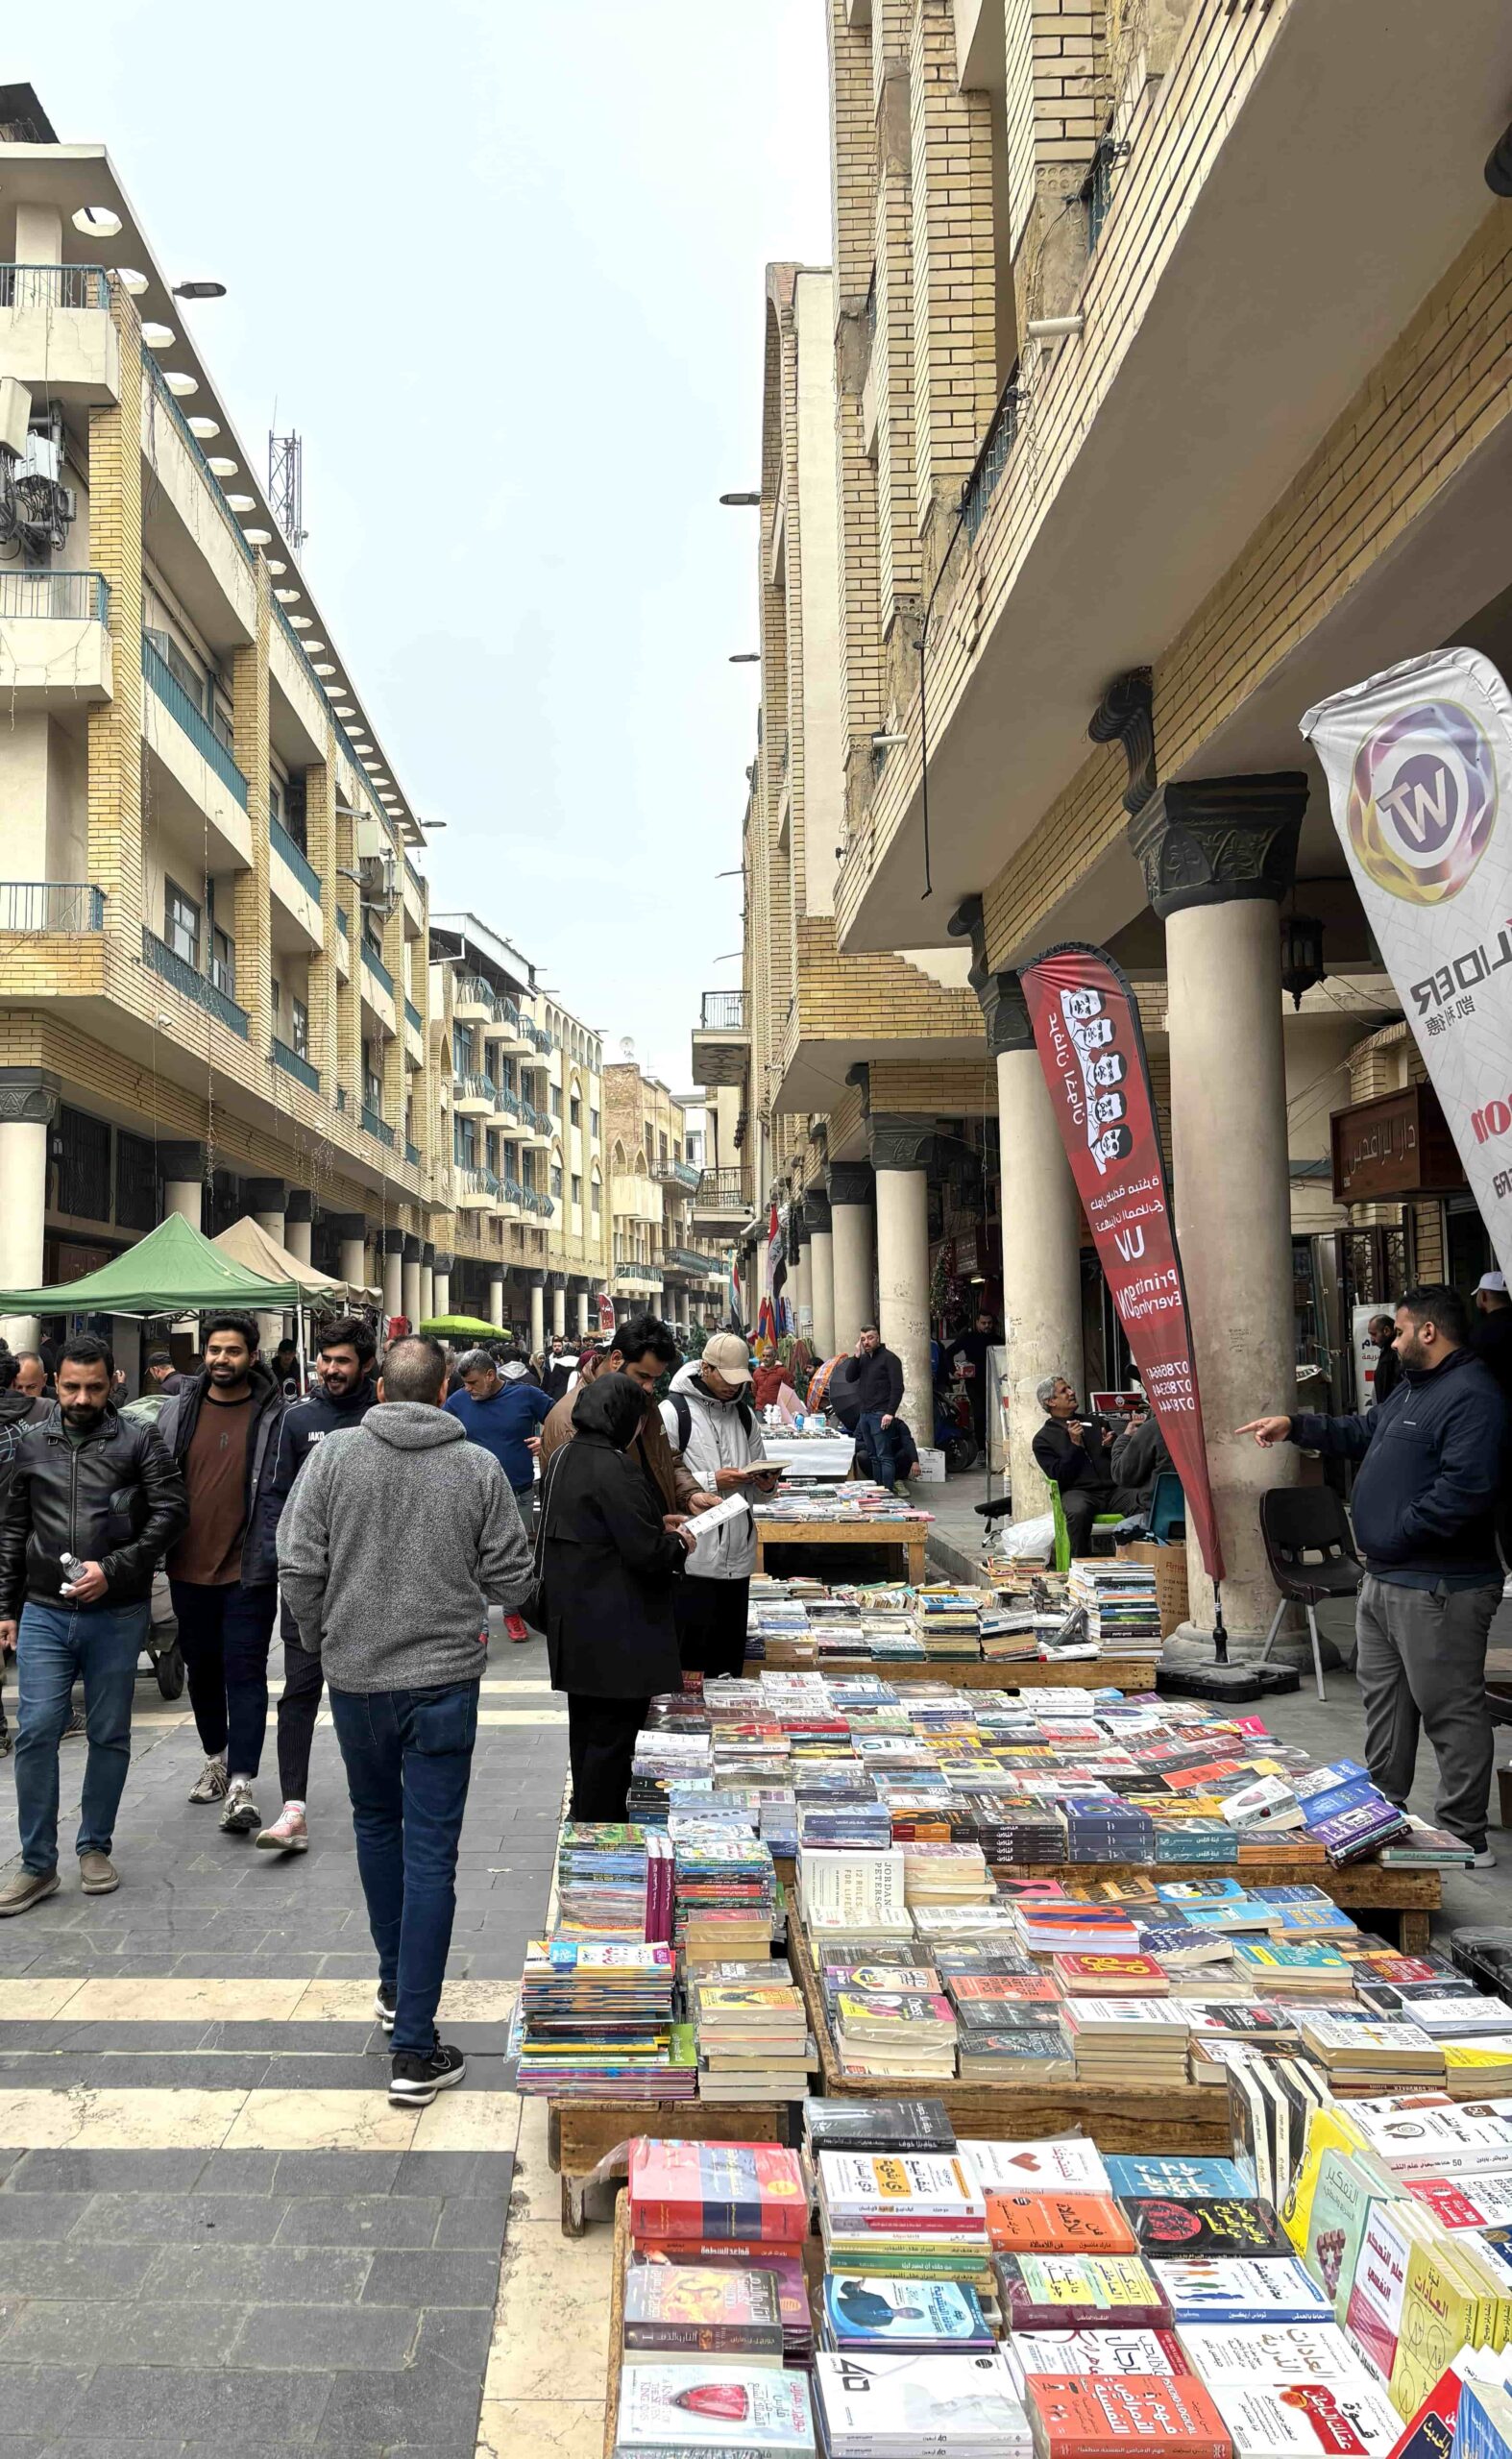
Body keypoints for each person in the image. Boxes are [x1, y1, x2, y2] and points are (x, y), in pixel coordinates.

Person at [277, 1333, 533, 2106]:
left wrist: (323, 1639)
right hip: (444, 1683)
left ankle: (397, 1991)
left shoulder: (333, 1458)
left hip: (356, 1682)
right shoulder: (477, 1467)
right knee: (431, 1855)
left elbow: (298, 1562)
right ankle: (414, 2048)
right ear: (445, 1389)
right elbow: (514, 1577)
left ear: (381, 1391)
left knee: (376, 1829)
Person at [1239, 1283, 1506, 1866]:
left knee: (1450, 1708)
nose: (1393, 1337)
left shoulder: (1472, 1396)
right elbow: (1360, 1433)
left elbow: (1465, 1491)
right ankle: (1382, 1810)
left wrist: (1392, 1532)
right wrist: (1296, 1426)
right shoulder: (1412, 1391)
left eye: (1403, 1329)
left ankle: (1464, 1835)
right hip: (1384, 1578)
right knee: (1385, 1703)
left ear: (1428, 1332)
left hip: (1438, 1585)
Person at [0, 1334, 187, 1914]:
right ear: (54, 1384)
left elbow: (171, 1511)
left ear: (114, 1383)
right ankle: (36, 1864)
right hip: (43, 1612)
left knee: (109, 1733)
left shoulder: (140, 1438)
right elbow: (11, 1528)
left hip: (118, 1612)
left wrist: (115, 1568)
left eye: (94, 1387)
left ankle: (94, 1846)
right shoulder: (29, 1446)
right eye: (71, 1386)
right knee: (35, 1731)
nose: (82, 1398)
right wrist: (5, 1608)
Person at [158, 1313, 291, 1834]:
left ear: (251, 1357)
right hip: (186, 1567)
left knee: (246, 1672)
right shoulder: (176, 1413)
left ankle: (241, 1781)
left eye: (232, 1351)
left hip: (249, 1570)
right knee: (203, 1672)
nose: (221, 1359)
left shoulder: (275, 1416)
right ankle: (216, 1756)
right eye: (214, 1350)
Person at [540, 1374, 692, 1820]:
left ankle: (583, 1815)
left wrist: (651, 1524)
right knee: (613, 1739)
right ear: (627, 1420)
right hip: (616, 1630)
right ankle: (599, 1823)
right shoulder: (616, 1466)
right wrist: (679, 1542)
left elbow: (597, 1528)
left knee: (586, 1733)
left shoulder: (565, 1455)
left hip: (575, 1622)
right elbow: (645, 1553)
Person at [256, 1316, 379, 1854]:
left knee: (376, 1695)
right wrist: (277, 1563)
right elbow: (275, 1500)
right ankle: (293, 1809)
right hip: (308, 1586)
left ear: (367, 1364)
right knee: (299, 1692)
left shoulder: (383, 1418)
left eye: (342, 1361)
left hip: (371, 1587)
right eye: (325, 1359)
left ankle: (380, 1802)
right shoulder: (296, 1420)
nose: (330, 1369)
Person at [662, 1333, 778, 1679]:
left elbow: (760, 1476)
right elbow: (660, 1482)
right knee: (689, 1669)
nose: (732, 1387)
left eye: (738, 1380)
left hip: (738, 1558)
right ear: (706, 1368)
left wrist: (767, 1484)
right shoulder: (673, 1412)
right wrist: (713, 1481)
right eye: (726, 1379)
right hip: (693, 1559)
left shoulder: (744, 1415)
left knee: (729, 1667)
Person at [539, 1316, 710, 1521]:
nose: (649, 1387)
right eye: (643, 1376)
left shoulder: (642, 1399)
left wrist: (689, 1494)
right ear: (616, 1359)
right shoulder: (569, 1419)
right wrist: (645, 1535)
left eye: (655, 1379)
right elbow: (577, 1517)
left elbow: (662, 1457)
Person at [444, 1347, 553, 1521]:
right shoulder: (457, 1401)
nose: (467, 1388)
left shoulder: (526, 1395)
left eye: (472, 1383)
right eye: (465, 1383)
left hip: (517, 1497)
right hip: (473, 1498)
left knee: (516, 1549)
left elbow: (560, 1419)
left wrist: (547, 1442)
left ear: (490, 1375)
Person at [1032, 1373, 1127, 1557]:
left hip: (1113, 1490)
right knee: (1078, 1512)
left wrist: (1111, 1444)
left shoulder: (1095, 1422)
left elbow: (1117, 1457)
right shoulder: (1043, 1439)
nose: (1072, 1392)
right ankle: (1080, 1564)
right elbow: (1059, 1475)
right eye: (1064, 1391)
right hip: (1079, 1492)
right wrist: (1074, 1446)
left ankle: (1146, 1557)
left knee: (1145, 1499)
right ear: (1051, 1401)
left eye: (1069, 1388)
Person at [853, 1324, 907, 1493]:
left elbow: (898, 1388)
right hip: (865, 1414)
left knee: (884, 1456)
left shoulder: (890, 1358)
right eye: (863, 1339)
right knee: (873, 1457)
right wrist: (855, 1357)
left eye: (870, 1338)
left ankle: (888, 1492)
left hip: (880, 1414)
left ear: (878, 1338)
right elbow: (849, 1377)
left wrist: (890, 1412)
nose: (866, 1342)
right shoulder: (863, 1359)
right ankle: (878, 1491)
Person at [1110, 1399, 1173, 1517]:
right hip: (1199, 1516)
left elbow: (1121, 1474)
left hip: (1160, 1517)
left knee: (1122, 1528)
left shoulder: (1152, 1428)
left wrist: (1124, 1438)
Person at [953, 1310, 999, 1449]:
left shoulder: (998, 1340)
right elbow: (948, 1352)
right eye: (983, 1323)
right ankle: (981, 1448)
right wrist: (954, 1371)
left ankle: (993, 1447)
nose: (987, 1326)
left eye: (989, 1323)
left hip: (994, 1383)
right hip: (975, 1384)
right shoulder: (968, 1338)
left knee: (994, 1415)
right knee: (979, 1415)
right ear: (977, 1323)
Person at [1369, 1314, 1402, 1409]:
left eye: (1374, 1334)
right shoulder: (1387, 1353)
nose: (1372, 1340)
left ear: (1387, 1331)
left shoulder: (1393, 1353)